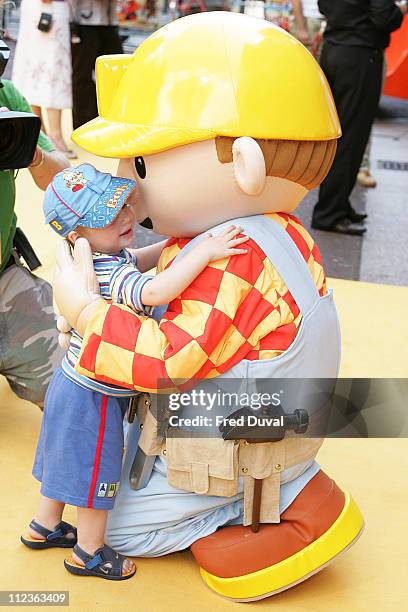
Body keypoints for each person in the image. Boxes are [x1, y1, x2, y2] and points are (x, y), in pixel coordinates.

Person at [52, 13, 364, 601]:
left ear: (243, 165)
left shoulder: (231, 261)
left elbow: (165, 363)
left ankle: (266, 512)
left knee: (101, 520)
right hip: (277, 416)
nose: (128, 188)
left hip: (243, 436)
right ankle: (284, 483)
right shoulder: (274, 230)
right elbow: (174, 267)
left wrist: (87, 311)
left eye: (140, 166)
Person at [21, 162, 248, 580]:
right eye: (107, 217)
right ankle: (87, 552)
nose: (125, 217)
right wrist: (204, 252)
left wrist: (176, 244)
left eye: (122, 205)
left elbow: (142, 258)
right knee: (95, 470)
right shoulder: (110, 273)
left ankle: (44, 525)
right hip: (95, 395)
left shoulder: (98, 255)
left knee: (63, 457)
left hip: (69, 384)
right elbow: (156, 288)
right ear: (77, 234)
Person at [0, 79, 69, 408]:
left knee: (74, 379)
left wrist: (30, 151)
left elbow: (62, 177)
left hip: (4, 280)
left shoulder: (5, 94)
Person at [311, 0, 406, 235]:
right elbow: (384, 18)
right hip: (360, 56)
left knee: (338, 132)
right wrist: (402, 9)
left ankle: (338, 204)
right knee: (352, 138)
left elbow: (324, 6)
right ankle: (330, 211)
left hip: (334, 49)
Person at [11, 0, 76, 158]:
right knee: (53, 69)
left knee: (34, 71)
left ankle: (42, 134)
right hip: (49, 10)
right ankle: (53, 135)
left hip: (38, 11)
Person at [69, 1, 123, 129]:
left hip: (110, 23)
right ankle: (85, 126)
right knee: (82, 76)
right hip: (83, 22)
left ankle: (112, 122)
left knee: (117, 76)